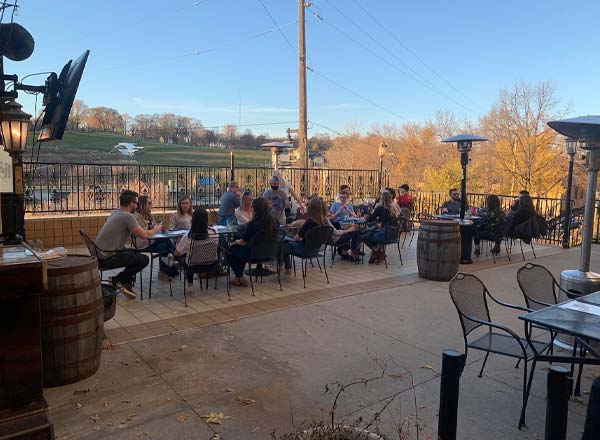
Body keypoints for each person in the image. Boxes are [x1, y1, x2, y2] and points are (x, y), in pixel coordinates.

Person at [95, 190, 162, 299]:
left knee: (134, 254)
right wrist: (156, 229)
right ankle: (118, 280)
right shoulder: (128, 216)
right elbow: (144, 235)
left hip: (100, 254)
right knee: (144, 259)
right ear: (131, 204)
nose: (137, 206)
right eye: (136, 203)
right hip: (108, 256)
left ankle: (124, 282)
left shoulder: (116, 212)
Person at [227, 197, 280, 286]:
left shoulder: (253, 224)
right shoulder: (275, 222)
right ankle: (238, 277)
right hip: (271, 254)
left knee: (231, 250)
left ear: (255, 209)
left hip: (254, 255)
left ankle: (239, 276)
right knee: (239, 250)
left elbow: (243, 242)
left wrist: (234, 242)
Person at [174, 207, 219, 285]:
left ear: (193, 220)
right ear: (206, 219)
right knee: (191, 256)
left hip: (193, 266)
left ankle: (190, 284)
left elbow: (178, 253)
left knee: (185, 256)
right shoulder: (214, 233)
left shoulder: (189, 236)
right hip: (211, 264)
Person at [133, 195, 176, 276]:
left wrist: (159, 228)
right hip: (143, 242)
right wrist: (153, 229)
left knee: (164, 246)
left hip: (152, 240)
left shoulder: (149, 215)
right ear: (142, 204)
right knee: (166, 242)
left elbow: (154, 229)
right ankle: (176, 256)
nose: (151, 205)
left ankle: (164, 270)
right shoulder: (136, 216)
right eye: (149, 203)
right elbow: (142, 232)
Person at [363, 191, 397, 264]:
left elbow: (370, 219)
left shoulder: (380, 208)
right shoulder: (395, 208)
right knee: (374, 231)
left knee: (364, 236)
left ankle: (377, 251)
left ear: (381, 199)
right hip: (394, 234)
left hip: (384, 234)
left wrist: (366, 216)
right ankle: (378, 253)